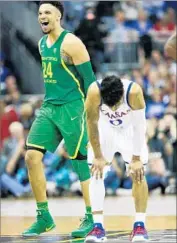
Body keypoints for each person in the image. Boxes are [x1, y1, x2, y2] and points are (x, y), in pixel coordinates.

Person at [22, 1, 96, 237]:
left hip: (73, 107)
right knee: (31, 156)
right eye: (40, 13)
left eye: (47, 13)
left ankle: (92, 217)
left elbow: (91, 82)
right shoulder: (42, 43)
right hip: (50, 106)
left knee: (79, 162)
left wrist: (90, 113)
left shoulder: (72, 43)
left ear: (58, 17)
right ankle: (44, 216)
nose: (42, 16)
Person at [85, 75, 149, 242]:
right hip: (105, 130)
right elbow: (91, 122)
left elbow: (139, 126)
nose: (113, 110)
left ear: (121, 94)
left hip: (130, 131)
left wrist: (136, 158)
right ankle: (97, 227)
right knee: (95, 172)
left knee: (139, 173)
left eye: (116, 105)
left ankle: (140, 225)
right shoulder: (94, 92)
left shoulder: (134, 92)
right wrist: (98, 156)